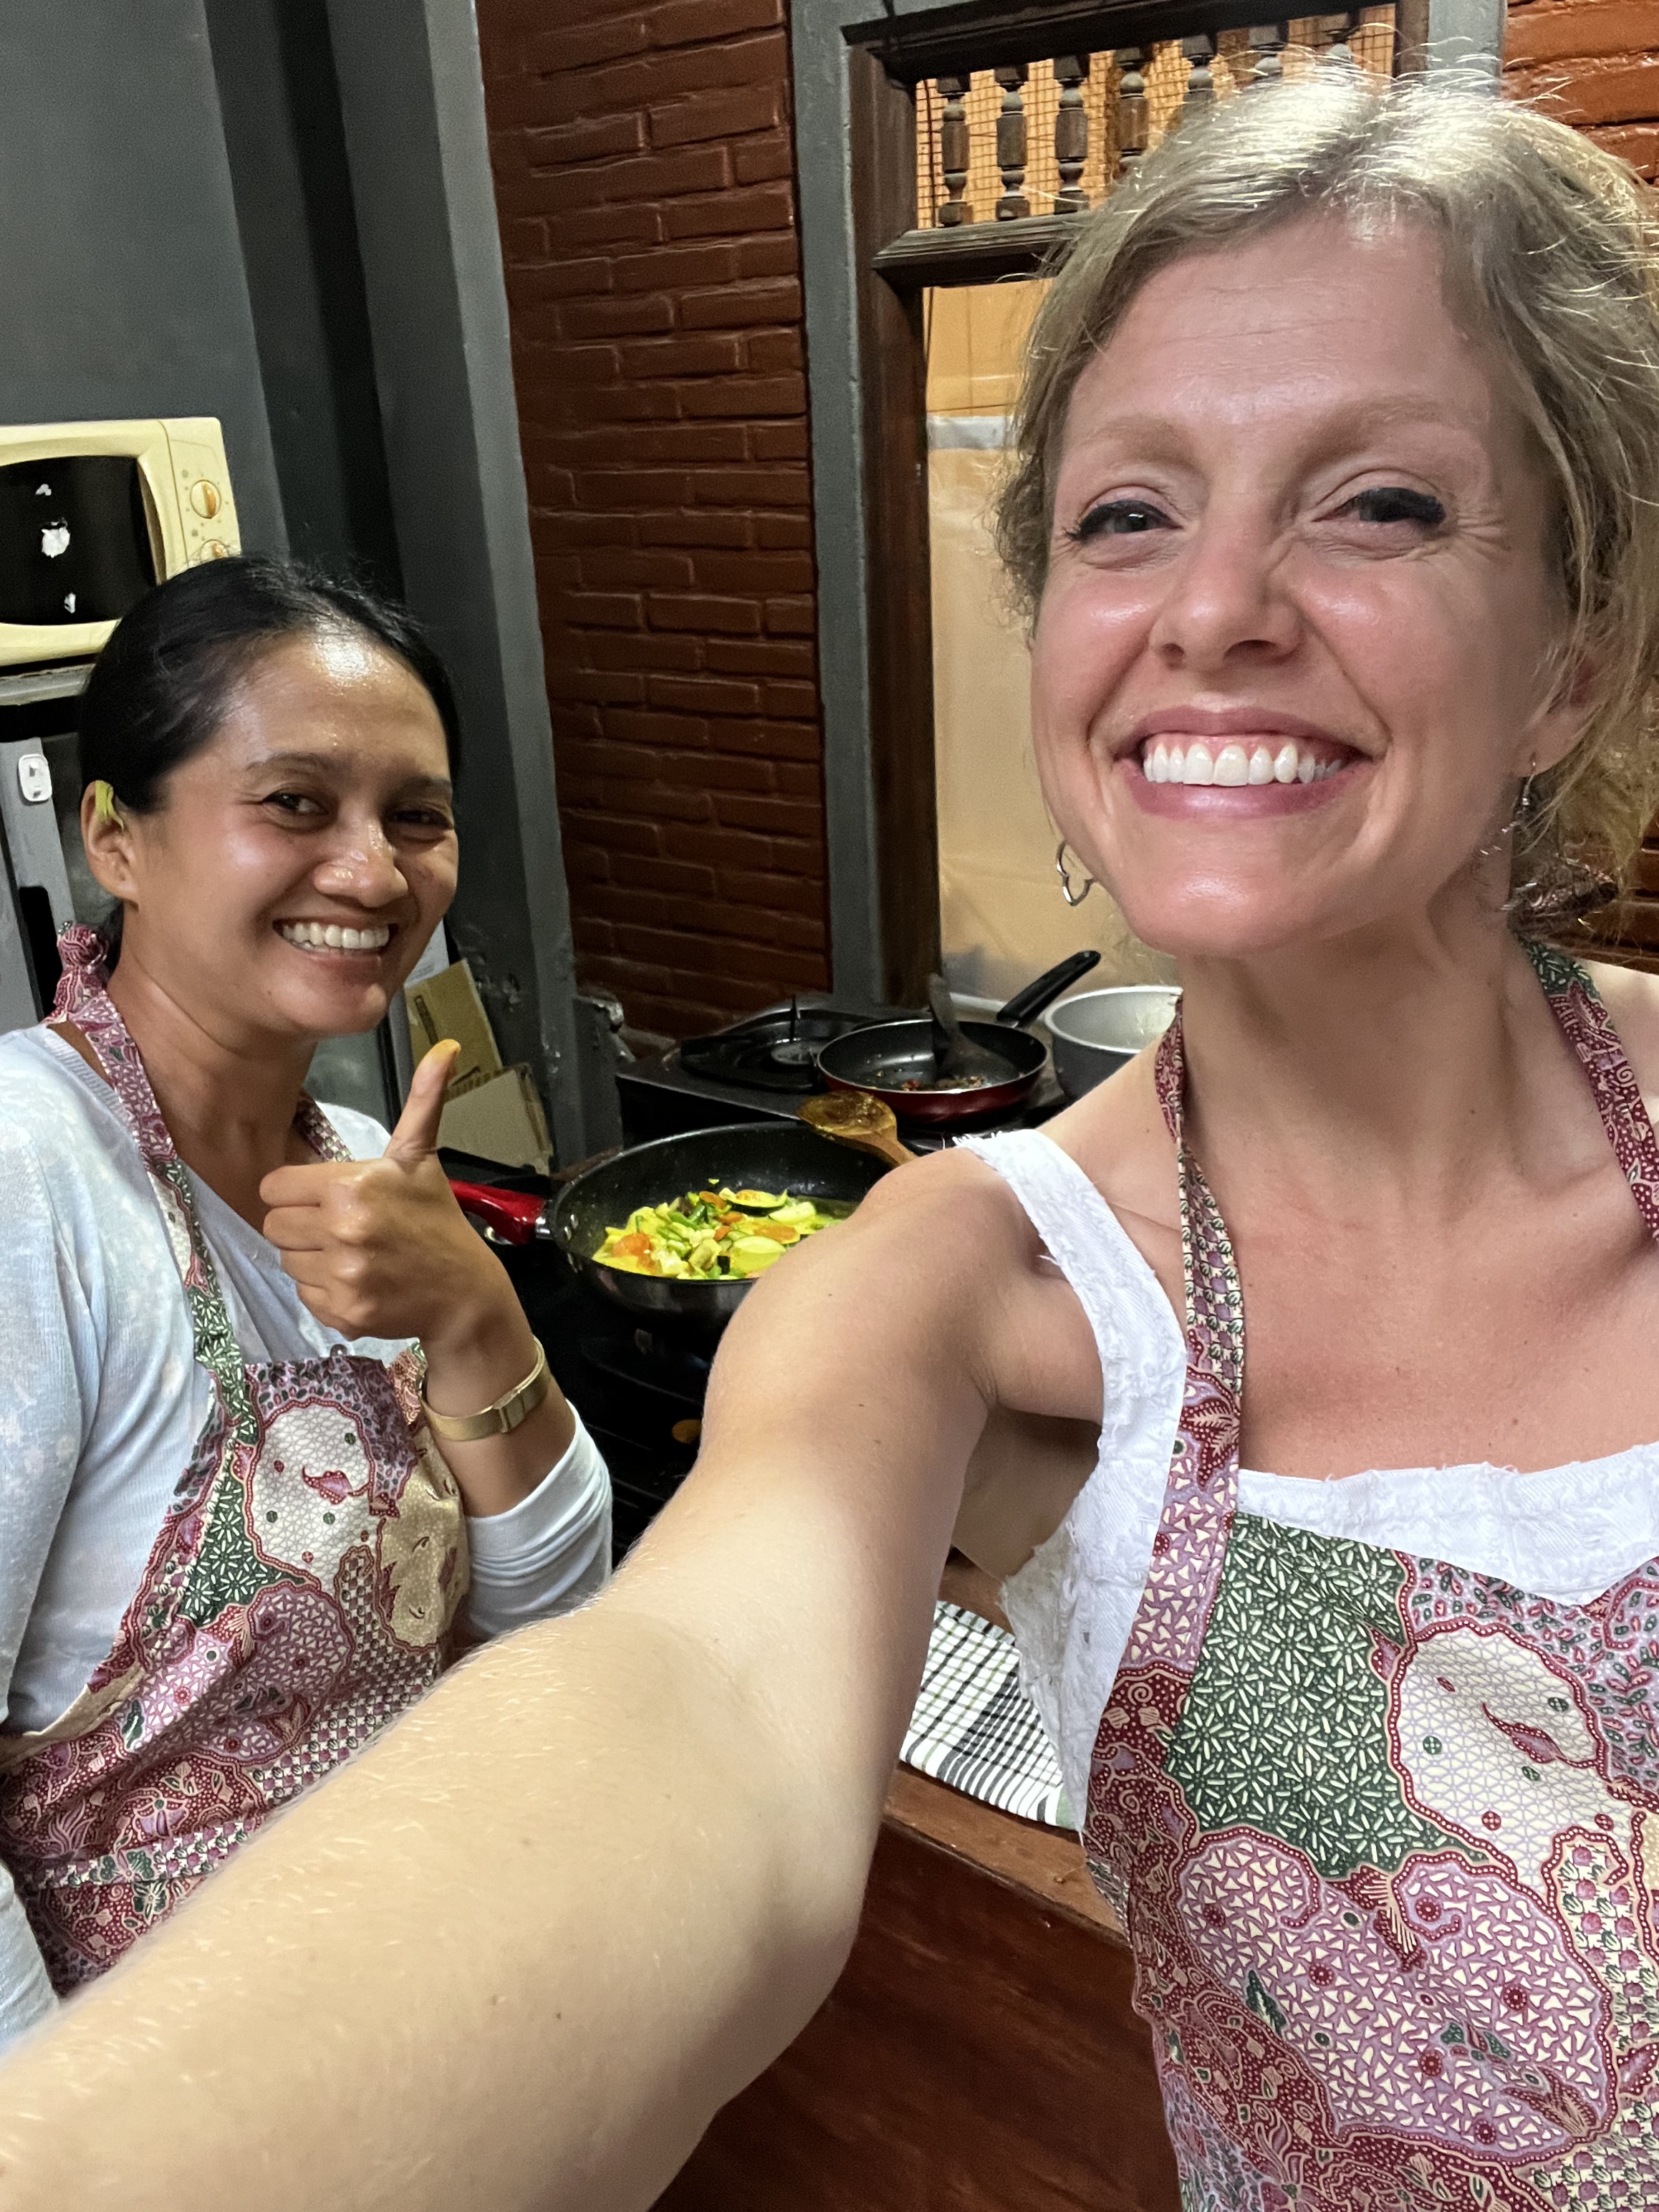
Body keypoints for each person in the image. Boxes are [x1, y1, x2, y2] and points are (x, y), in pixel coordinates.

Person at [4, 63, 1659, 2212]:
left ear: (1573, 653)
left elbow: (541, 1568)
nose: (1214, 607)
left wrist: (479, 1329)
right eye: (1126, 514)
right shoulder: (960, 1286)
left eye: (1382, 503)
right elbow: (681, 1700)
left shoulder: (357, 1150)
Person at [0, 557, 610, 2044]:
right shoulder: (31, 1174)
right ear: (114, 837)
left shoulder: (361, 1157)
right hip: (174, 2083)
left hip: (435, 1999)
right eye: (295, 803)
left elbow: (550, 1628)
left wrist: (476, 1312)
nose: (374, 873)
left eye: (417, 816)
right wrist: (57, 2131)